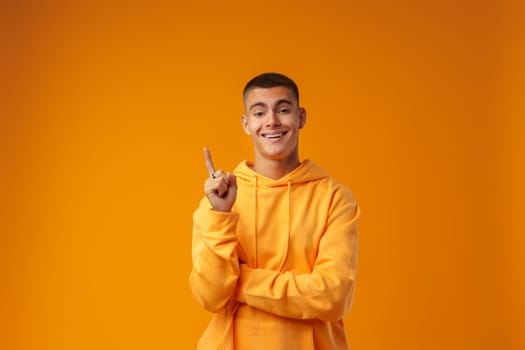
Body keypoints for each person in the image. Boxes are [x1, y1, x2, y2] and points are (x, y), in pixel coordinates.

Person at [189, 72, 360, 349]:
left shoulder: (334, 198)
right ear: (246, 123)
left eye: (283, 109)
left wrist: (239, 281)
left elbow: (332, 296)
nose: (272, 121)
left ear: (301, 117)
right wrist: (220, 216)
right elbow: (210, 296)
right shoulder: (218, 200)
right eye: (259, 112)